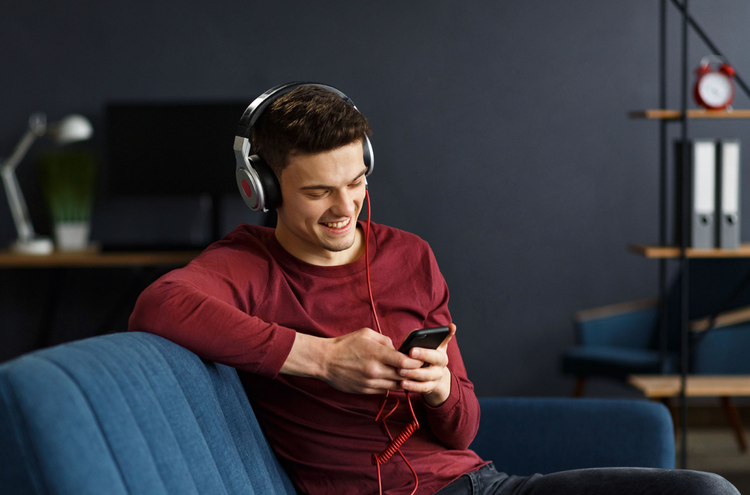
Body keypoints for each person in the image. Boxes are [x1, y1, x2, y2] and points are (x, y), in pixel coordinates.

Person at [129, 83, 739, 495]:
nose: (346, 208)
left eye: (357, 181)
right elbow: (157, 305)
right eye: (318, 192)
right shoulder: (245, 264)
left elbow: (463, 431)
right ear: (261, 189)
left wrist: (443, 388)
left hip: (479, 486)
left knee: (707, 490)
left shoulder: (409, 254)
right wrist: (323, 359)